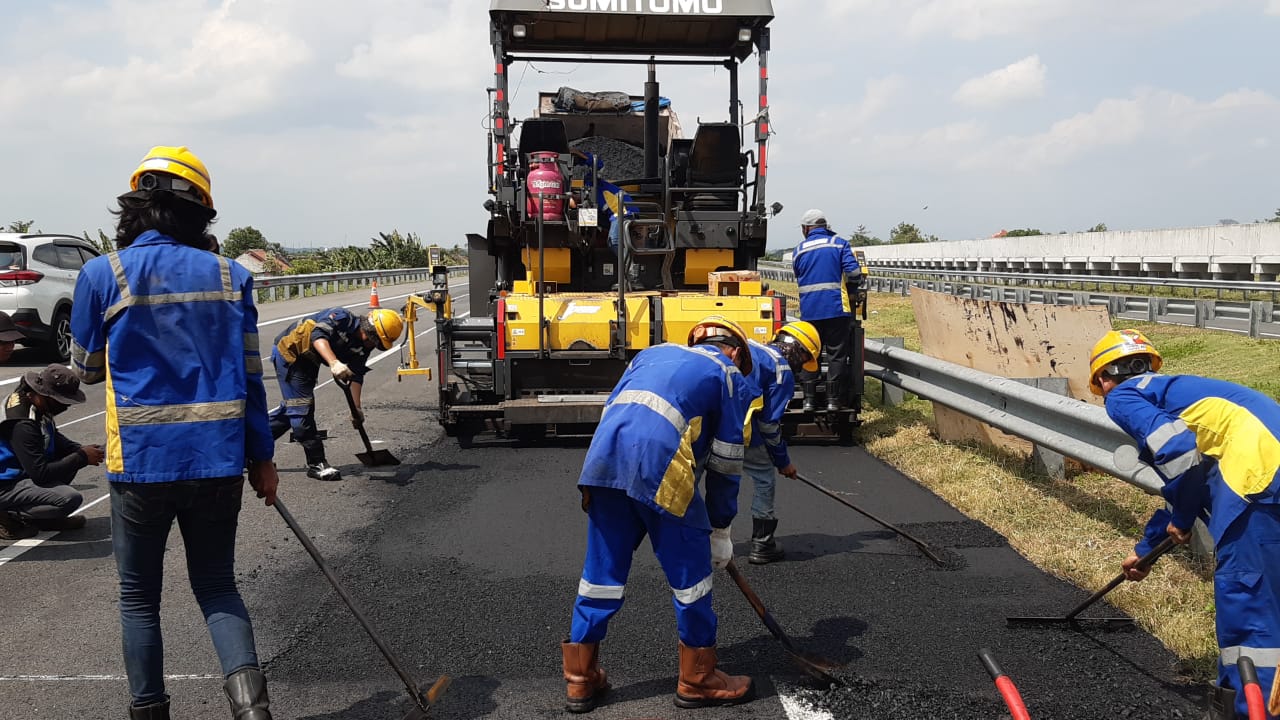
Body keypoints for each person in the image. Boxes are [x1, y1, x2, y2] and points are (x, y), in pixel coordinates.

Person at [70, 145, 278, 720]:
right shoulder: (232, 275)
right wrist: (263, 458)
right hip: (218, 463)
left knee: (139, 599)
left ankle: (149, 712)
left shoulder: (100, 275)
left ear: (133, 207)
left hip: (139, 465)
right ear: (201, 215)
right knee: (217, 586)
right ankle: (253, 712)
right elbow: (252, 379)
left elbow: (86, 369)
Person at [562, 316, 756, 713]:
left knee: (600, 577)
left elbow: (619, 408)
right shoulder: (727, 374)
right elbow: (726, 462)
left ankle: (580, 679)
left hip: (603, 465)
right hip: (660, 471)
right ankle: (698, 679)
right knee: (692, 581)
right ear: (734, 351)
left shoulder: (650, 355)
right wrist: (720, 528)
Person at [1088, 328, 1280, 720]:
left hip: (1257, 485)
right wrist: (1146, 550)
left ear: (1103, 379)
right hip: (1266, 479)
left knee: (1249, 606)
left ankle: (1248, 712)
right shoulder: (1186, 393)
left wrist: (1180, 519)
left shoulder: (1122, 396)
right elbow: (1194, 481)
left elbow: (1179, 455)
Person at [267, 307, 403, 481]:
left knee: (293, 409)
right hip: (291, 353)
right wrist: (334, 363)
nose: (373, 346)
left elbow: (356, 375)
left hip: (310, 361)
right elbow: (318, 336)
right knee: (301, 409)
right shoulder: (342, 318)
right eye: (374, 340)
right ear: (369, 330)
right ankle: (317, 463)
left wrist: (356, 409)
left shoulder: (363, 348)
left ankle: (250, 448)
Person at [743, 320, 821, 564]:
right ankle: (762, 544)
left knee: (712, 477)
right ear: (799, 351)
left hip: (709, 427)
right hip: (741, 433)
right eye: (805, 359)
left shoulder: (750, 347)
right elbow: (769, 425)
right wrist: (782, 461)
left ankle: (701, 542)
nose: (801, 367)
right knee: (764, 476)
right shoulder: (781, 370)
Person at [0, 365, 103, 541]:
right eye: (61, 401)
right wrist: (82, 457)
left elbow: (51, 435)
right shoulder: (23, 424)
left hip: (20, 470)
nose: (65, 407)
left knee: (72, 457)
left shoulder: (33, 402)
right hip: (5, 484)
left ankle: (43, 517)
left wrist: (78, 449)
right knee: (69, 498)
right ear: (44, 394)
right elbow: (40, 474)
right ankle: (10, 515)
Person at [791, 209, 861, 412]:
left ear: (806, 229)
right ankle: (833, 400)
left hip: (810, 312)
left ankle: (809, 400)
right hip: (836, 309)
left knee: (810, 354)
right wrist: (853, 287)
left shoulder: (799, 250)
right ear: (825, 226)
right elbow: (854, 272)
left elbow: (799, 274)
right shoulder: (839, 244)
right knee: (836, 355)